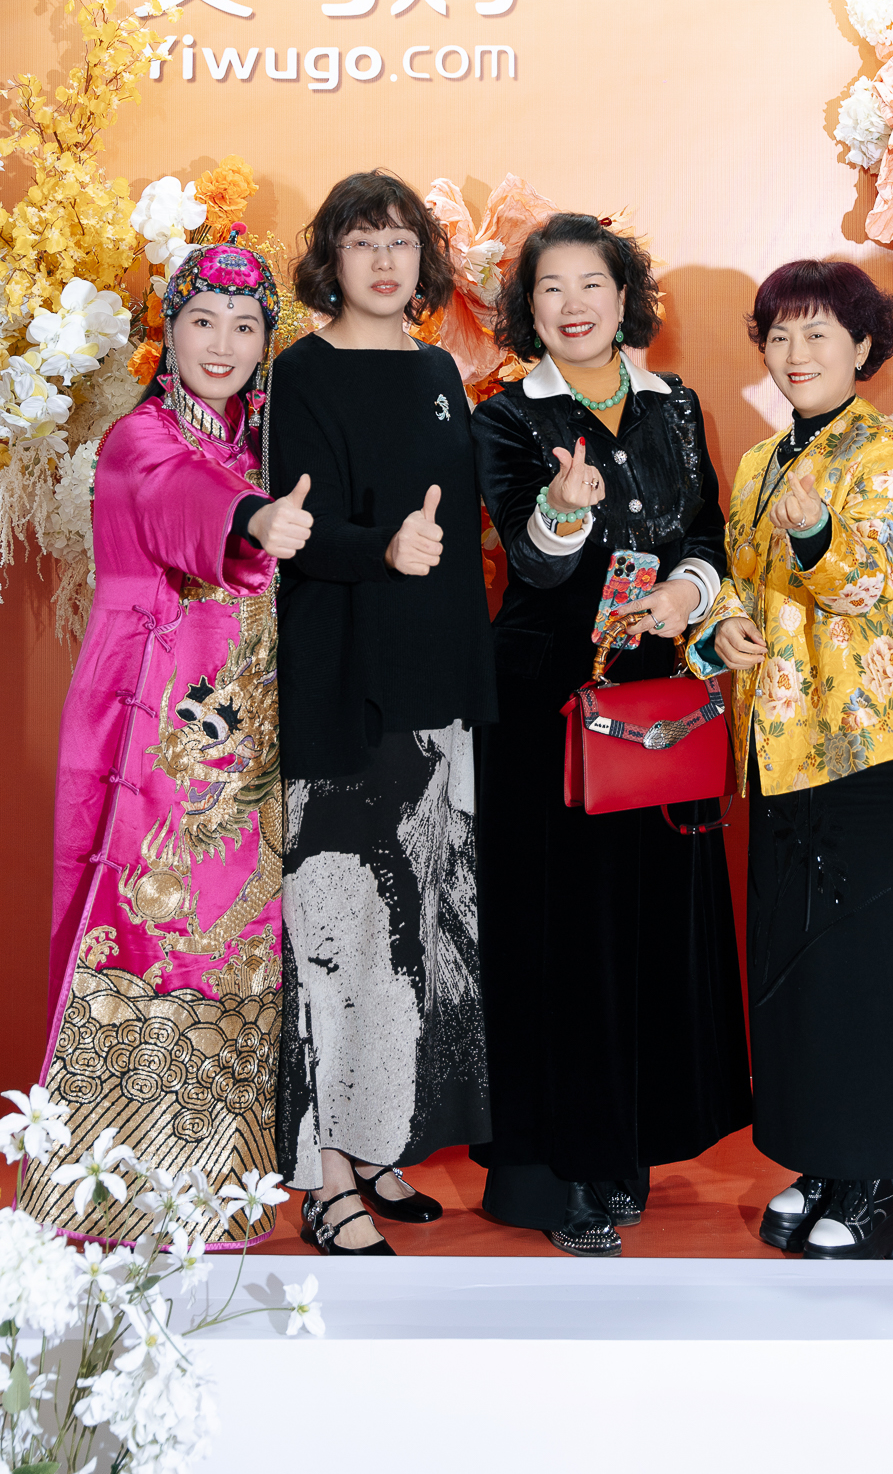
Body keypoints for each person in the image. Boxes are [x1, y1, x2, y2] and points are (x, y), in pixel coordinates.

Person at [17, 236, 312, 1245]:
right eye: (202, 322)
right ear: (169, 332)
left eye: (245, 326)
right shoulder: (139, 438)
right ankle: (107, 1192)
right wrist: (254, 522)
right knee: (145, 922)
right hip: (148, 728)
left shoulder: (268, 441)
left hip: (249, 743)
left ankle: (213, 1183)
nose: (222, 344)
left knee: (239, 944)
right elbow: (174, 499)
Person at [470, 213, 751, 1256]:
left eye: (592, 283)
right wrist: (563, 510)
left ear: (625, 297)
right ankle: (568, 1169)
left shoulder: (673, 404)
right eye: (551, 288)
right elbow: (533, 565)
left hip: (657, 699)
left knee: (648, 926)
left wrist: (684, 593)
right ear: (528, 308)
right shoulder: (506, 417)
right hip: (549, 706)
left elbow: (706, 531)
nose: (574, 304)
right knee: (565, 937)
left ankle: (629, 1149)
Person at [690, 258, 893, 1261]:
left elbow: (874, 581)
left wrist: (816, 536)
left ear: (863, 347)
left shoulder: (891, 459)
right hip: (779, 743)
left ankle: (874, 1190)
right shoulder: (761, 461)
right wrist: (719, 631)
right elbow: (736, 581)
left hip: (870, 746)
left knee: (863, 967)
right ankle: (818, 1162)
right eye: (779, 335)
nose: (795, 354)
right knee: (795, 966)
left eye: (818, 334)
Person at [270, 170, 498, 1257]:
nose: (383, 260)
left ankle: (374, 1145)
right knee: (335, 934)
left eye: (401, 240)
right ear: (331, 258)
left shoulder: (438, 369)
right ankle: (325, 1181)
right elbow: (292, 528)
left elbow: (461, 531)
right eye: (362, 241)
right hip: (344, 691)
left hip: (435, 699)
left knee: (415, 933)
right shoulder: (300, 372)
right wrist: (383, 548)